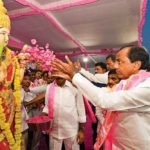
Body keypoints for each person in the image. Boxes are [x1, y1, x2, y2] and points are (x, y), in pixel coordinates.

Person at [51, 45, 150, 150]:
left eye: (120, 62)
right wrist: (73, 79)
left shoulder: (147, 85)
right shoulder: (124, 83)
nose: (115, 66)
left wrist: (74, 75)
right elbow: (103, 93)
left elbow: (105, 100)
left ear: (136, 64)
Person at [0, 1, 22, 149]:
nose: (7, 39)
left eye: (8, 34)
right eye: (2, 33)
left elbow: (16, 82)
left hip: (9, 106)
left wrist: (24, 65)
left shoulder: (11, 56)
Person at [42, 76, 86, 150]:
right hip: (54, 129)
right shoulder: (49, 87)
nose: (59, 75)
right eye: (57, 73)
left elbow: (81, 109)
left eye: (61, 72)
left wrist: (81, 130)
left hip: (71, 130)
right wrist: (42, 116)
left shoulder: (74, 87)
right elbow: (47, 106)